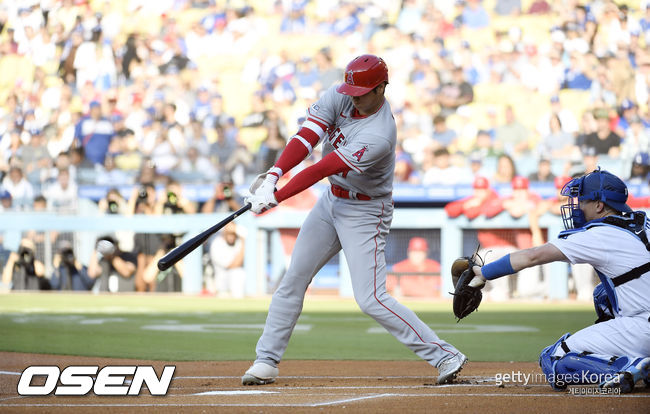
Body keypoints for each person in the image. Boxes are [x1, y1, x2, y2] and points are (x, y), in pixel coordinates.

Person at [241, 54, 466, 386]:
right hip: (331, 200)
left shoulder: (380, 133)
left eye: (361, 92)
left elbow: (322, 168)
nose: (353, 97)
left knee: (371, 299)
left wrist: (276, 197)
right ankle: (267, 361)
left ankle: (445, 354)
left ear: (381, 89)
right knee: (292, 280)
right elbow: (307, 137)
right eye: (351, 89)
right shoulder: (342, 93)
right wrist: (274, 175)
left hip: (365, 211)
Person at [466, 168, 650, 392]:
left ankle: (629, 365)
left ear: (599, 205)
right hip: (643, 323)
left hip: (642, 328)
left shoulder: (598, 234)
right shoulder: (643, 221)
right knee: (602, 294)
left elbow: (532, 256)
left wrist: (484, 273)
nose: (576, 206)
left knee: (554, 358)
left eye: (582, 200)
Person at [208, 222, 246, 298]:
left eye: (233, 233)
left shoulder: (239, 241)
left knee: (239, 273)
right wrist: (243, 241)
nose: (231, 236)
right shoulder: (217, 243)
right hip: (221, 281)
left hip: (235, 282)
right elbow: (232, 265)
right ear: (224, 232)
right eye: (229, 233)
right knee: (237, 272)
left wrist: (242, 238)